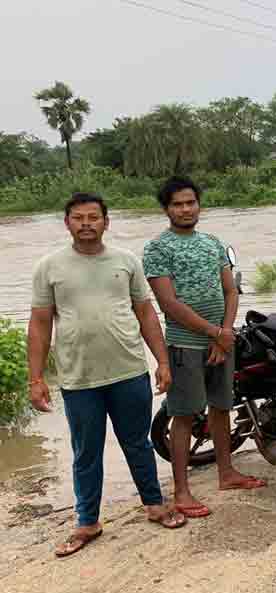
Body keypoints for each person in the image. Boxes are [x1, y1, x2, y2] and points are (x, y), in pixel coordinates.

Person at [28, 192, 186, 558]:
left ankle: (154, 504)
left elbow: (146, 313)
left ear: (106, 222)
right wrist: (36, 379)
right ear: (67, 223)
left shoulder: (126, 261)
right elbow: (39, 325)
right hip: (78, 378)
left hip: (128, 370)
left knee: (138, 443)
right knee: (86, 451)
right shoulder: (49, 266)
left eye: (93, 217)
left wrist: (161, 361)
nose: (86, 224)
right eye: (79, 218)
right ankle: (87, 521)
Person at [143, 176, 265, 519]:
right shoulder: (157, 248)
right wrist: (215, 332)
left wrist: (225, 333)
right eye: (177, 204)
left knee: (222, 407)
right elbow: (168, 303)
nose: (185, 209)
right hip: (185, 344)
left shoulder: (213, 242)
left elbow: (230, 291)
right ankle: (182, 491)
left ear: (199, 205)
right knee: (182, 415)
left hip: (221, 342)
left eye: (190, 202)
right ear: (166, 209)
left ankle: (227, 473)